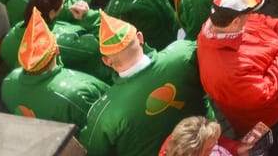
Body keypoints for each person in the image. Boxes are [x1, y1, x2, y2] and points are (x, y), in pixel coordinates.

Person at [194, 0, 278, 156]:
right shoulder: (229, 71)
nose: (251, 15)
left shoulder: (220, 24)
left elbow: (258, 22)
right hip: (272, 117)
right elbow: (265, 93)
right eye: (248, 13)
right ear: (236, 21)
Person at [80, 11, 205, 156]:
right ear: (140, 38)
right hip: (208, 146)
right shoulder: (182, 53)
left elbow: (93, 151)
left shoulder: (104, 112)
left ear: (107, 61)